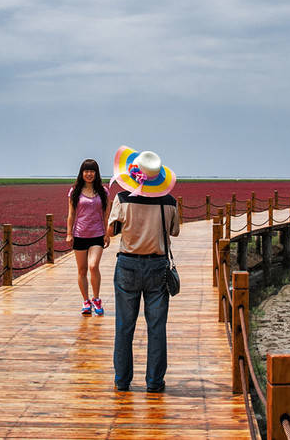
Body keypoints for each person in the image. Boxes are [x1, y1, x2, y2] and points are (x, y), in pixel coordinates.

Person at [106, 145, 180, 393]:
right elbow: (174, 231)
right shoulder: (170, 202)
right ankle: (154, 382)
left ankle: (122, 381)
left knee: (124, 326)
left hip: (127, 263)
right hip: (157, 266)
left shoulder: (122, 199)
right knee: (156, 328)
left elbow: (111, 230)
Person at [66, 158, 110, 316]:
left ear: (96, 173)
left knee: (93, 266)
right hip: (79, 235)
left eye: (92, 171)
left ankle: (96, 299)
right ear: (82, 173)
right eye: (86, 171)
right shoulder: (75, 191)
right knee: (82, 270)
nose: (89, 174)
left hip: (97, 234)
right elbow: (71, 214)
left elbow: (106, 214)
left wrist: (107, 233)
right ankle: (86, 301)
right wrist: (69, 233)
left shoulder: (103, 191)